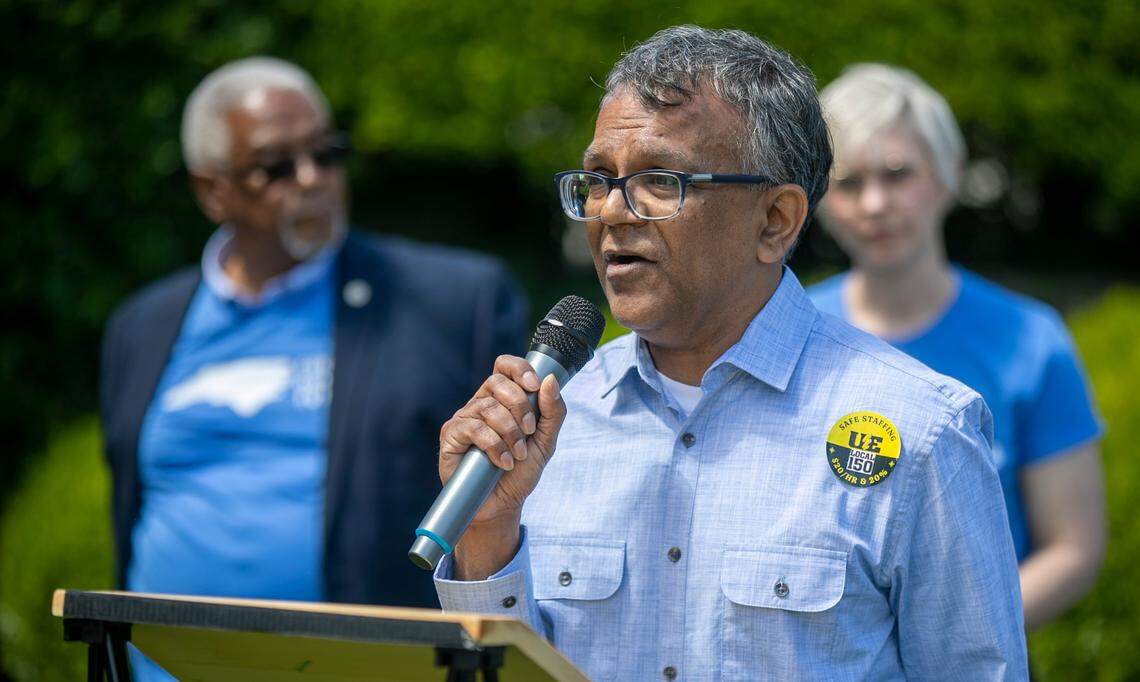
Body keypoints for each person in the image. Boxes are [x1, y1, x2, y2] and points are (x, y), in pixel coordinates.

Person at [429, 26, 1028, 679]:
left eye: (659, 180)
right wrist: (488, 532)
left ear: (775, 221)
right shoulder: (545, 427)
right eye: (599, 179)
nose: (613, 212)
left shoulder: (921, 429)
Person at [100, 58, 526, 612]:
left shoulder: (445, 302)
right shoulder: (142, 326)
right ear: (212, 191)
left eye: (325, 154)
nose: (312, 178)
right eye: (276, 166)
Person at [808, 63, 1105, 630]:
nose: (874, 203)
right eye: (848, 183)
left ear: (948, 176)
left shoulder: (1031, 341)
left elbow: (1073, 548)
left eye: (898, 174)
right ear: (819, 200)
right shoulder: (786, 332)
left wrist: (947, 642)